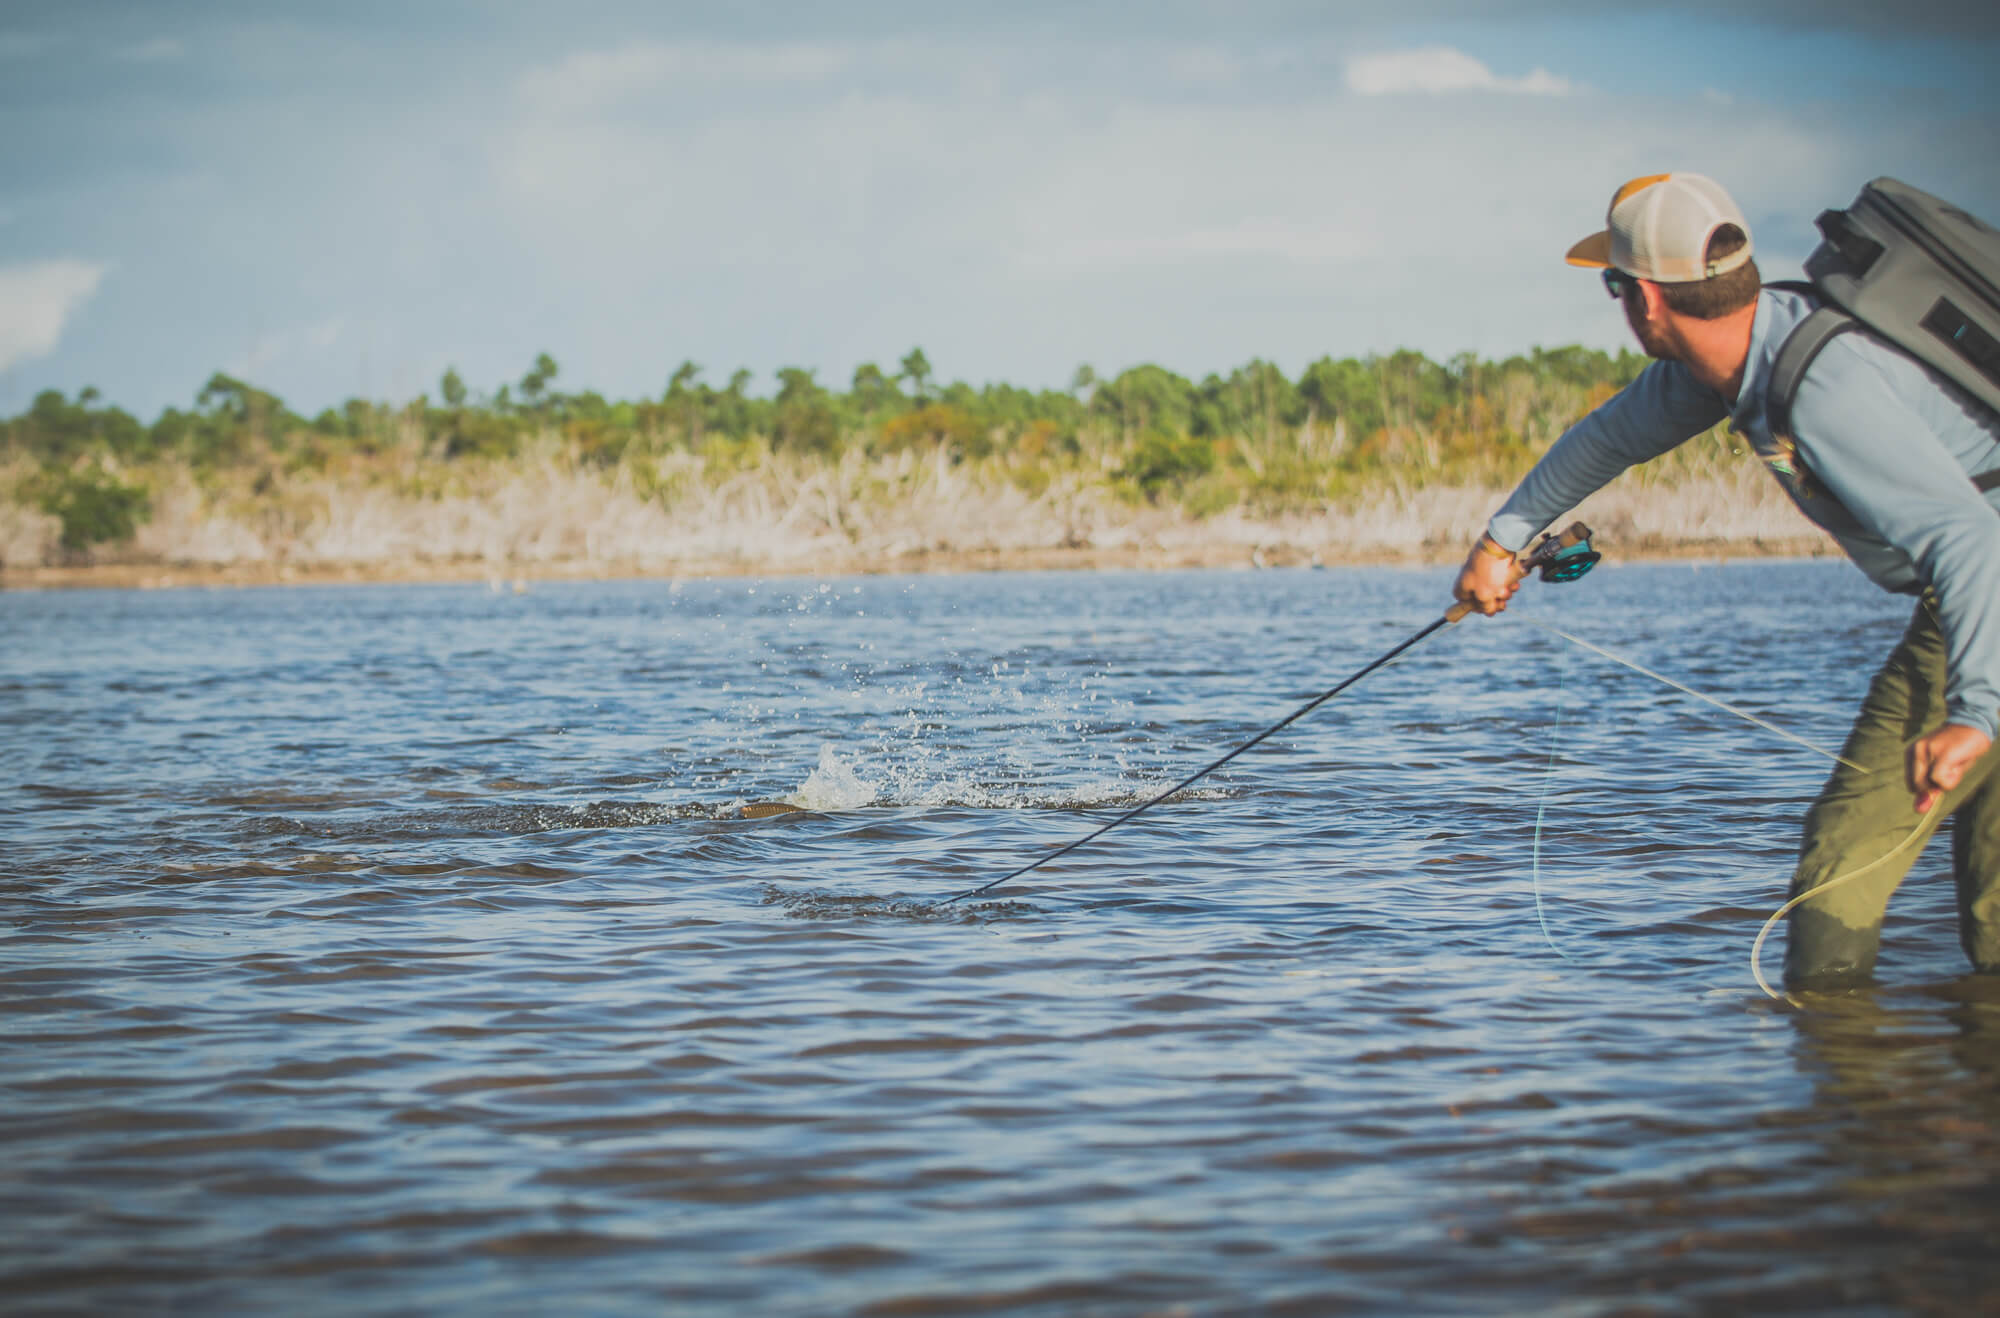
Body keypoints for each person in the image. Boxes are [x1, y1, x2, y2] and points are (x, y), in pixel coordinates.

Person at [1452, 173, 2000, 989]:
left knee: (1837, 874)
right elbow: (1607, 439)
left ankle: (1848, 1091)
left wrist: (1978, 715)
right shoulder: (1739, 360)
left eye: (1612, 287)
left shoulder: (1818, 384)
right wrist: (1501, 542)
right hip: (1973, 607)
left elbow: (1970, 539)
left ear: (1643, 298)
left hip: (1981, 603)